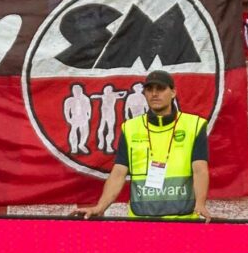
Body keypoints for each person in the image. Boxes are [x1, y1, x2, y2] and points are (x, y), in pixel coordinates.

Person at [82, 68, 209, 220]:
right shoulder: (130, 127)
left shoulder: (194, 125)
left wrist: (200, 204)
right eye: (149, 89)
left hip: (183, 219)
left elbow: (200, 169)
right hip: (141, 220)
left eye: (160, 89)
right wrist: (100, 207)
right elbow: (118, 173)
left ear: (173, 92)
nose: (154, 94)